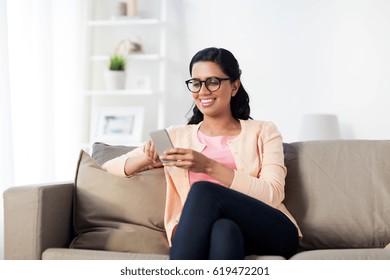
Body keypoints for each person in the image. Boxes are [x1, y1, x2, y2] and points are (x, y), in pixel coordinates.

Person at [103, 47, 302, 260]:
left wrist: (208, 166)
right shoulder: (175, 136)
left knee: (204, 191)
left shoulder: (264, 131)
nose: (203, 91)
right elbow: (108, 167)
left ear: (234, 86)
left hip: (272, 231)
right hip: (213, 231)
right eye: (196, 83)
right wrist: (147, 159)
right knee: (224, 231)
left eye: (213, 82)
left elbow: (272, 194)